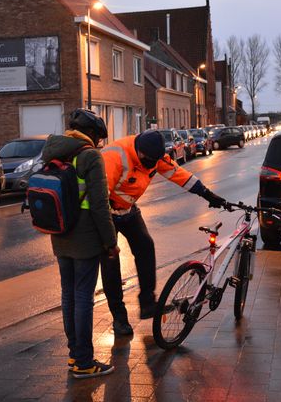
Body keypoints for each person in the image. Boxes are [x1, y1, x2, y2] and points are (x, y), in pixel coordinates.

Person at [100, 129, 228, 334]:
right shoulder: (115, 157)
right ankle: (119, 318)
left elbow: (179, 175)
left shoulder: (154, 156)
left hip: (129, 209)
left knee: (145, 247)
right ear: (139, 151)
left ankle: (148, 303)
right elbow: (100, 197)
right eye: (147, 160)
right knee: (110, 263)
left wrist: (207, 194)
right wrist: (107, 237)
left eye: (155, 161)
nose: (151, 165)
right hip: (106, 212)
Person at [41, 108, 119, 379]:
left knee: (68, 294)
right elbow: (99, 205)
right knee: (84, 297)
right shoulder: (90, 156)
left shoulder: (54, 150)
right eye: (98, 136)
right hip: (85, 237)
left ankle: (75, 354)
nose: (99, 142)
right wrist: (110, 242)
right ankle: (84, 362)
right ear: (92, 134)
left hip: (59, 232)